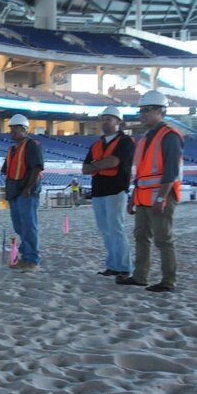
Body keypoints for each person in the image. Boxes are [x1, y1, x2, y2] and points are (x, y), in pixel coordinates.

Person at [116, 90, 183, 292]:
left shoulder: (169, 136)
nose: (141, 115)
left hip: (160, 197)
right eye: (141, 111)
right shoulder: (145, 138)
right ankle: (140, 276)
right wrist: (132, 199)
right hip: (144, 197)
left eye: (146, 111)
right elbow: (142, 174)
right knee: (141, 237)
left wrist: (161, 198)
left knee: (163, 240)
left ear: (158, 111)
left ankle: (168, 281)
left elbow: (171, 171)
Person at [82, 105, 135, 277]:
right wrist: (101, 164)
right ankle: (113, 265)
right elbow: (84, 169)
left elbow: (113, 162)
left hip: (116, 190)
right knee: (106, 230)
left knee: (116, 228)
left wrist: (95, 165)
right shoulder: (97, 144)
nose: (105, 122)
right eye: (103, 119)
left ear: (118, 122)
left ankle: (124, 267)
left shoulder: (126, 141)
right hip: (99, 191)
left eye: (109, 119)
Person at [2, 114, 43, 272]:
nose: (12, 132)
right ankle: (26, 257)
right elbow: (8, 172)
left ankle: (32, 260)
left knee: (29, 226)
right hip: (14, 193)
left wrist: (28, 188)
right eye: (11, 129)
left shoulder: (32, 145)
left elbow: (36, 168)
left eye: (15, 129)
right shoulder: (12, 149)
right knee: (20, 227)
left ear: (24, 129)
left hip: (26, 193)